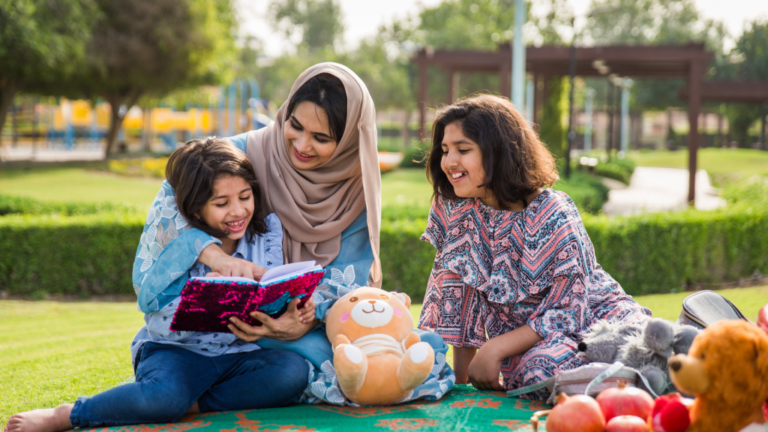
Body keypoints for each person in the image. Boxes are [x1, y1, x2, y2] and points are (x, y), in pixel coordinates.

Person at [5, 138, 311, 432]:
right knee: (163, 396)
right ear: (195, 210)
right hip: (175, 352)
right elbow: (155, 315)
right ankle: (71, 414)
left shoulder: (264, 237)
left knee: (291, 372)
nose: (238, 211)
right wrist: (207, 298)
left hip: (236, 356)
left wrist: (294, 310)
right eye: (222, 203)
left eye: (245, 197)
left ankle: (192, 403)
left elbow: (269, 296)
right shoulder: (176, 246)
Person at [132, 64, 383, 369]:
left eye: (321, 137)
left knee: (341, 362)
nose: (302, 145)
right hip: (223, 325)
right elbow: (171, 203)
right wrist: (216, 257)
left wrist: (304, 318)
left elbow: (350, 276)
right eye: (295, 125)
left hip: (306, 327)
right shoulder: (243, 154)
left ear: (347, 141)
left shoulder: (356, 191)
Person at [417, 95, 651, 399]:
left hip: (597, 323)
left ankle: (648, 370)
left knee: (549, 369)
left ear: (498, 152)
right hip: (532, 351)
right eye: (445, 150)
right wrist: (463, 385)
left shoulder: (553, 212)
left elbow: (570, 308)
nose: (448, 161)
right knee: (538, 369)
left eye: (463, 150)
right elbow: (458, 301)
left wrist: (496, 347)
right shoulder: (454, 209)